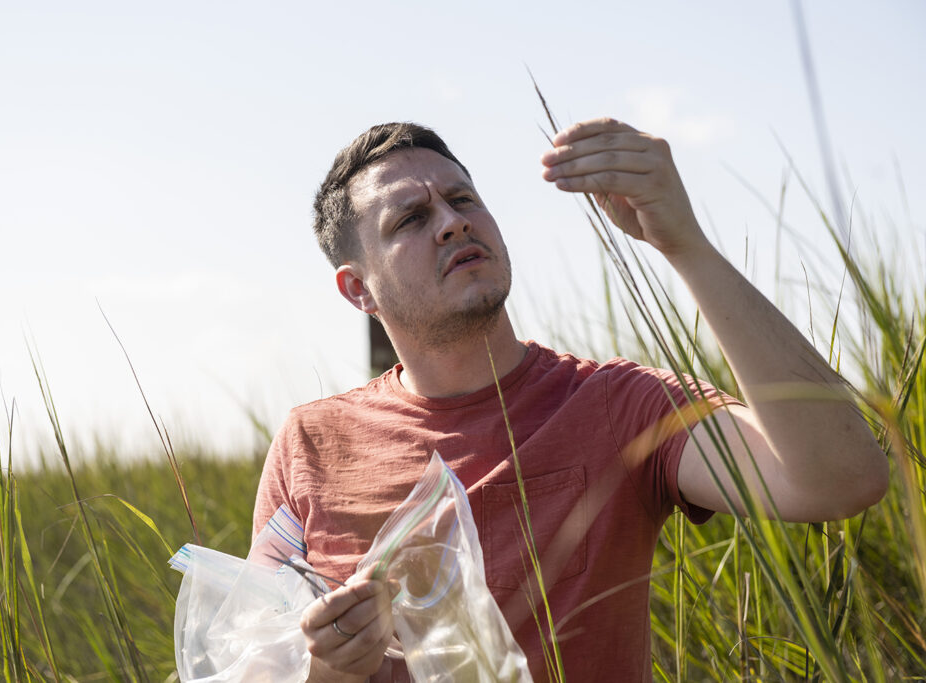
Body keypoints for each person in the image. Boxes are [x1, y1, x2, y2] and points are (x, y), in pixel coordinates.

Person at [251, 118, 888, 682]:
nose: (452, 222)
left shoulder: (619, 405)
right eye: (411, 219)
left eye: (462, 199)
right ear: (358, 289)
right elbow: (251, 662)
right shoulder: (310, 443)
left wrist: (683, 243)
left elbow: (840, 479)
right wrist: (329, 670)